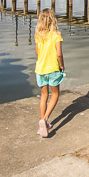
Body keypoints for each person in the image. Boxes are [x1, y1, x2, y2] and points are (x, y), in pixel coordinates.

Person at [34, 8, 65, 138]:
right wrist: (62, 65)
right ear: (53, 19)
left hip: (40, 69)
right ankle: (45, 119)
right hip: (53, 68)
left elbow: (37, 52)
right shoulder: (57, 34)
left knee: (44, 96)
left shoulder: (38, 35)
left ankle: (43, 124)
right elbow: (59, 53)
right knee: (55, 94)